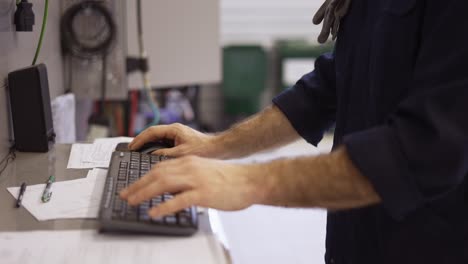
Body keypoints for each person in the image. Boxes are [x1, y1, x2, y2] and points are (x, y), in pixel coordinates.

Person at [120, 0, 468, 263]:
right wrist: (215, 145)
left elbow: (427, 148)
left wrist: (246, 182)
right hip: (354, 244)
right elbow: (328, 87)